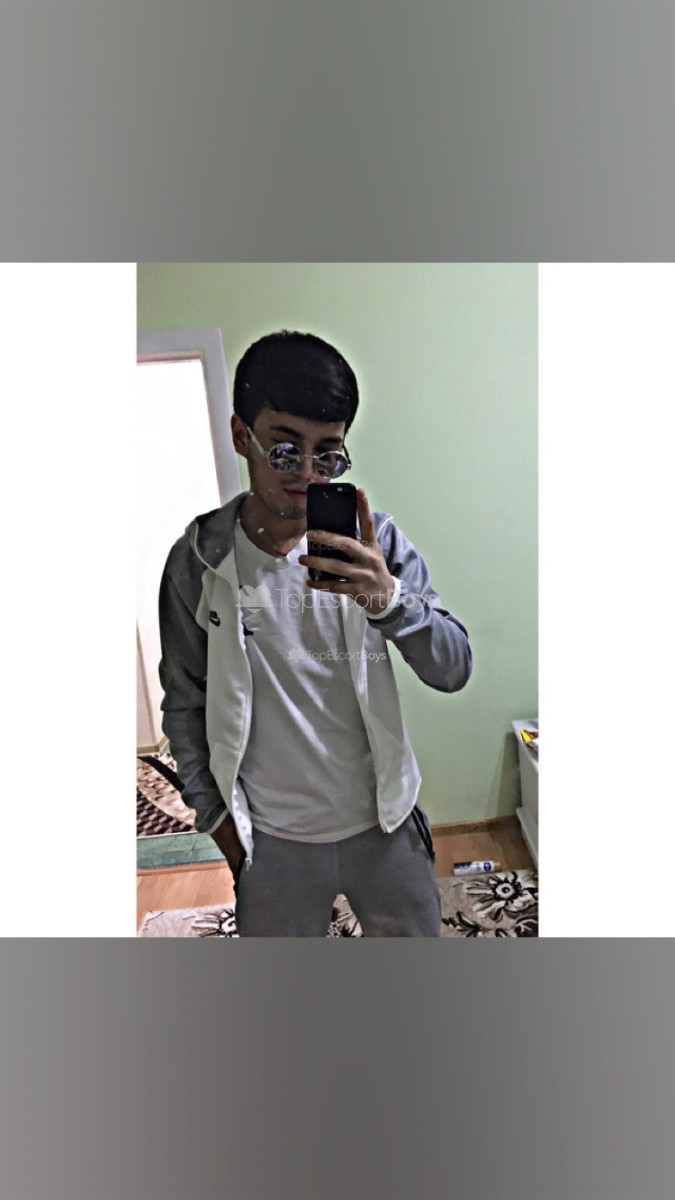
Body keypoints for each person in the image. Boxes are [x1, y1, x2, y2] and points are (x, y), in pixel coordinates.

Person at [158, 330, 472, 936]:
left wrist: (389, 602)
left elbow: (454, 668)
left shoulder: (375, 546)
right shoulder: (198, 561)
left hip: (384, 823)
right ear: (241, 436)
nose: (306, 473)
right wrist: (220, 826)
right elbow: (185, 704)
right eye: (284, 450)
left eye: (327, 454)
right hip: (271, 839)